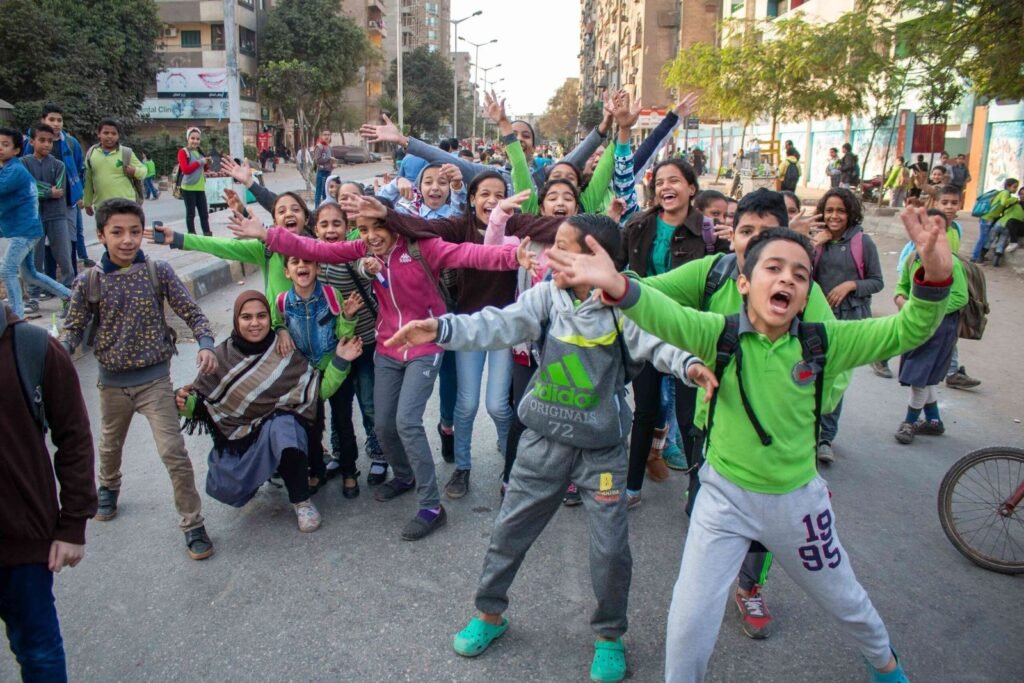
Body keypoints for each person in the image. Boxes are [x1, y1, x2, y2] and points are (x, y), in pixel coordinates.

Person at [548, 209, 956, 683]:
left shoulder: (826, 343)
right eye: (773, 268)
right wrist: (617, 284)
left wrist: (935, 278)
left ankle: (885, 664)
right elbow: (660, 311)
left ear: (806, 294)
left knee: (845, 599)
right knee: (689, 622)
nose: (786, 280)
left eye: (800, 275)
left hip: (799, 503)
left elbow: (908, 330)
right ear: (743, 282)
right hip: (721, 500)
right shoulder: (715, 333)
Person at [385, 213, 713, 683]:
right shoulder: (546, 296)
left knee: (610, 551)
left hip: (601, 452)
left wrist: (691, 366)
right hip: (542, 442)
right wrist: (439, 329)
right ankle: (489, 614)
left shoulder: (624, 308)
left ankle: (609, 636)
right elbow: (498, 324)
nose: (548, 255)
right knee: (509, 532)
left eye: (562, 247)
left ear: (596, 258)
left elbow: (661, 344)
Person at [228, 197, 532, 541]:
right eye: (363, 229)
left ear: (393, 223)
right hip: (388, 346)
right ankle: (404, 475)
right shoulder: (363, 251)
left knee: (407, 422)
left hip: (424, 344)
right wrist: (267, 235)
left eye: (377, 226)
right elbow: (315, 248)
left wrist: (512, 256)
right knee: (384, 424)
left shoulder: (422, 247)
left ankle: (432, 507)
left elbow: (468, 254)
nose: (371, 236)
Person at [633, 188, 841, 640]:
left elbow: (837, 366)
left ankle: (749, 587)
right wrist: (610, 280)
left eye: (768, 232)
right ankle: (702, 592)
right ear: (732, 234)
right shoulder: (714, 272)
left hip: (777, 442)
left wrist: (803, 407)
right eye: (747, 231)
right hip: (710, 428)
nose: (755, 241)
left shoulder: (803, 293)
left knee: (765, 530)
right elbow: (647, 292)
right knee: (703, 511)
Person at [350, 174, 562, 501]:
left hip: (505, 328)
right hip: (467, 326)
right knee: (466, 404)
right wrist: (387, 214)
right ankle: (462, 466)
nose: (492, 200)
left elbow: (546, 229)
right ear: (471, 198)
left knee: (498, 406)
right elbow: (429, 232)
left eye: (499, 195)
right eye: (485, 194)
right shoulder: (457, 226)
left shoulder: (517, 225)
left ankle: (511, 462)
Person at [61, 198, 217, 560]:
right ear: (101, 235)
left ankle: (193, 523)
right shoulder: (88, 281)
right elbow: (73, 329)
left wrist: (206, 343)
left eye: (134, 231)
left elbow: (192, 312)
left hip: (154, 382)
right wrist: (56, 354)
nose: (127, 240)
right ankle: (108, 486)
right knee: (110, 444)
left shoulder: (157, 272)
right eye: (117, 232)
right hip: (111, 384)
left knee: (174, 453)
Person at [177, 290, 361, 532]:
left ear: (269, 318)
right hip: (241, 439)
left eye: (261, 316)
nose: (255, 323)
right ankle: (266, 470)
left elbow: (316, 392)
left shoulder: (284, 349)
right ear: (236, 320)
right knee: (225, 486)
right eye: (247, 317)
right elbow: (201, 404)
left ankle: (301, 500)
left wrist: (340, 360)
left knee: (285, 424)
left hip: (279, 435)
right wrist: (184, 403)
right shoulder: (220, 357)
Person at [619, 157, 730, 509]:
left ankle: (697, 495)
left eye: (675, 180)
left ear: (691, 188)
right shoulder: (638, 224)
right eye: (660, 182)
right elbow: (619, 269)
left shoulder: (709, 232)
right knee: (645, 411)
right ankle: (631, 488)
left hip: (688, 332)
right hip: (647, 330)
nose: (666, 187)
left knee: (689, 418)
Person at [0, 301, 96, 683]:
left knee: (38, 653)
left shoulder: (33, 347)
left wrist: (73, 525)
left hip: (22, 543)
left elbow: (74, 437)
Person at [309, 202, 387, 488]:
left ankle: (379, 453)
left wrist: (370, 267)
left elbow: (365, 268)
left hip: (364, 343)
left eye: (337, 224)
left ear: (347, 228)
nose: (331, 229)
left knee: (368, 402)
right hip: (332, 349)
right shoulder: (312, 259)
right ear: (315, 230)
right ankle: (341, 453)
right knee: (337, 405)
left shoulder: (354, 254)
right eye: (324, 224)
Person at [276, 253, 363, 495]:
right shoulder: (282, 302)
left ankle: (349, 471)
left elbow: (342, 334)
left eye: (307, 261)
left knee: (343, 421)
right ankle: (316, 470)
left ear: (317, 267)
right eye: (295, 262)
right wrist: (281, 329)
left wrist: (347, 317)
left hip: (335, 366)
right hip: (303, 374)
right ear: (287, 272)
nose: (301, 265)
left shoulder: (331, 296)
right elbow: (276, 327)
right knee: (310, 425)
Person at [810, 188, 884, 463]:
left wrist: (851, 285)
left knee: (836, 380)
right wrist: (813, 244)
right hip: (817, 319)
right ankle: (806, 432)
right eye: (829, 210)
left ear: (851, 213)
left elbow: (877, 281)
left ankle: (825, 438)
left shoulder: (863, 243)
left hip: (848, 320)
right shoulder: (817, 241)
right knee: (810, 376)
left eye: (840, 211)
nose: (834, 216)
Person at [892, 209, 965, 447]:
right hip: (915, 326)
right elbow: (902, 286)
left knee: (919, 376)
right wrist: (901, 299)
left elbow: (960, 297)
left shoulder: (952, 263)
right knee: (924, 375)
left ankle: (909, 422)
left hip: (940, 329)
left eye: (936, 229)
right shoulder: (912, 259)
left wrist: (928, 308)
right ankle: (934, 420)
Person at [0, 127, 71, 319]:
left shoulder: (14, 170)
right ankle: (70, 296)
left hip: (24, 231)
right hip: (24, 229)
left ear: (16, 150)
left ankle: (16, 317)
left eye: (5, 145)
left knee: (7, 270)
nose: (0, 148)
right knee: (29, 274)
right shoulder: (6, 169)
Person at [23, 105, 90, 273]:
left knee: (70, 239)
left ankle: (71, 280)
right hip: (38, 206)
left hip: (67, 200)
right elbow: (26, 178)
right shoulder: (31, 144)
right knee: (43, 243)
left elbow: (78, 170)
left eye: (59, 120)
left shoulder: (71, 143)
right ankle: (48, 278)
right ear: (43, 120)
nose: (56, 123)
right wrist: (48, 192)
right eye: (51, 119)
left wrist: (80, 194)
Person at [22, 125, 74, 292]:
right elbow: (26, 188)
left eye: (50, 141)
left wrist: (38, 189)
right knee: (34, 257)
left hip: (57, 214)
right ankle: (34, 291)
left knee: (64, 254)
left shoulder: (58, 165)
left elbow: (59, 190)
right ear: (32, 142)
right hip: (33, 216)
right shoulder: (23, 163)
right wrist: (48, 191)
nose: (46, 144)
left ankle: (68, 289)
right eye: (42, 140)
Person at [82, 118, 144, 216]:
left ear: (118, 136)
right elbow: (88, 180)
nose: (110, 136)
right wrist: (87, 202)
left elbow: (144, 171)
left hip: (126, 205)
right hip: (102, 206)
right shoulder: (92, 153)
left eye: (114, 133)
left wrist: (135, 171)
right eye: (106, 133)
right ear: (99, 134)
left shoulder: (126, 152)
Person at [972, 177, 1019, 263]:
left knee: (985, 238)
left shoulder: (1005, 193)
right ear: (1008, 186)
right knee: (983, 239)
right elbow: (1003, 202)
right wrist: (1014, 199)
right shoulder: (1005, 193)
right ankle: (975, 257)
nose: (1016, 189)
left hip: (989, 218)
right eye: (1014, 187)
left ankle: (978, 256)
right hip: (987, 218)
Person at [176, 127, 212, 236]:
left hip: (200, 188)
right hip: (188, 188)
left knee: (204, 214)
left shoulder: (200, 152)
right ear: (188, 139)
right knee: (191, 214)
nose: (195, 141)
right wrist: (201, 162)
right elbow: (185, 170)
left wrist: (208, 163)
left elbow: (203, 169)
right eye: (192, 138)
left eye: (197, 139)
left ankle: (207, 235)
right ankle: (192, 235)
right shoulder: (183, 152)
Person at [313, 129, 335, 207]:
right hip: (321, 172)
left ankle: (325, 208)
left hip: (328, 172)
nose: (327, 137)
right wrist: (328, 159)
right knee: (319, 192)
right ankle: (317, 208)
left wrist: (333, 164)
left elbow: (331, 159)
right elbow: (317, 160)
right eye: (325, 135)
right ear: (321, 136)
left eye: (328, 135)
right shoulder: (319, 146)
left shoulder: (329, 147)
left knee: (326, 192)